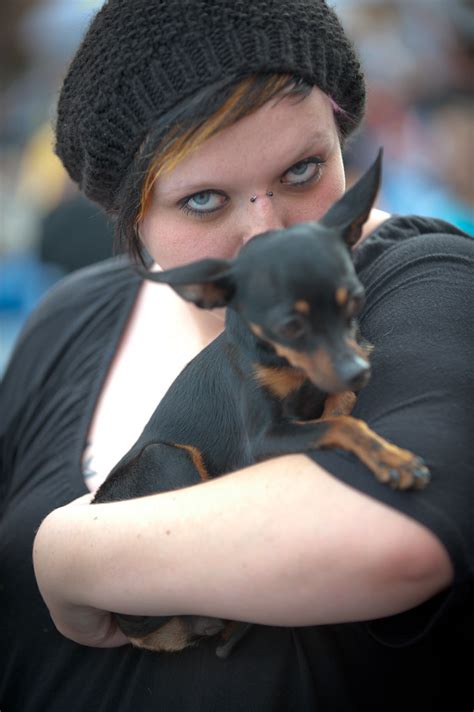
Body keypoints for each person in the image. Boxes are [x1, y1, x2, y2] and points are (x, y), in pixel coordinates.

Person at [1, 1, 473, 710]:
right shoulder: (68, 319)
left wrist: (65, 553)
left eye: (304, 169)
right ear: (129, 216)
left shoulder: (427, 283)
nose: (266, 233)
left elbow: (396, 540)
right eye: (203, 201)